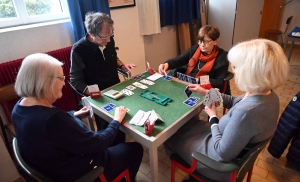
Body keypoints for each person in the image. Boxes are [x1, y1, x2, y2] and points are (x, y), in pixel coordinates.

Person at [163, 39, 289, 181]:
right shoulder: (267, 94)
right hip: (229, 141)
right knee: (185, 126)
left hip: (217, 163)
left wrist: (213, 117)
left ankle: (190, 171)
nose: (232, 71)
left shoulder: (247, 113)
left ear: (251, 73)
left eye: (235, 67)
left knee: (170, 136)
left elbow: (221, 153)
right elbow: (235, 102)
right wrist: (206, 92)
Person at [12, 53, 143, 182]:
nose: (64, 84)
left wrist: (74, 114)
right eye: (61, 78)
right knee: (135, 149)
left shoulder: (19, 107)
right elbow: (99, 142)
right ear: (45, 81)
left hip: (54, 165)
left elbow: (53, 131)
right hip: (83, 171)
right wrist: (116, 120)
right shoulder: (53, 120)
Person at [70, 12, 136, 130]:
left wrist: (122, 66)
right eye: (105, 37)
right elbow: (75, 80)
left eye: (111, 35)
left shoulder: (108, 41)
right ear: (91, 34)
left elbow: (113, 57)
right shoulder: (78, 49)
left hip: (116, 90)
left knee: (121, 124)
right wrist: (95, 94)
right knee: (106, 129)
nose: (109, 40)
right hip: (98, 97)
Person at [158, 25, 229, 92]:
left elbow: (219, 82)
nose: (202, 44)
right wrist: (167, 64)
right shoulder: (194, 49)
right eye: (200, 41)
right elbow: (179, 60)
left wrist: (199, 80)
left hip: (204, 88)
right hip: (187, 83)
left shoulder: (222, 57)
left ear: (215, 41)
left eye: (206, 41)